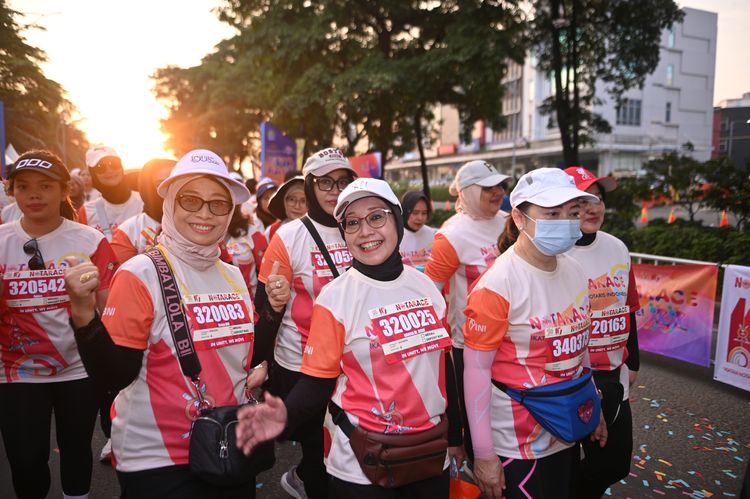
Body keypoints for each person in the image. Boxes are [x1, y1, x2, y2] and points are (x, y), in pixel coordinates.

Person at [63, 149, 291, 499]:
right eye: (191, 200)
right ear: (169, 203)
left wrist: (273, 311)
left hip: (227, 443)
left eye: (218, 204)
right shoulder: (140, 273)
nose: (205, 213)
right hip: (157, 457)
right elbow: (115, 377)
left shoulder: (231, 274)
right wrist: (83, 314)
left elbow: (246, 355)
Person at [236, 178, 463, 498]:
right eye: (352, 223)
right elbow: (317, 382)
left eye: (376, 217)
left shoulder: (426, 287)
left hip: (430, 454)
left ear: (397, 221)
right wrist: (283, 415)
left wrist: (455, 438)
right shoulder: (335, 297)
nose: (365, 231)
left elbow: (443, 368)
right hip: (360, 463)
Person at [462, 167, 607, 499]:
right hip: (518, 442)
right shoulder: (497, 285)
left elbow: (580, 350)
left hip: (566, 428)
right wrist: (484, 454)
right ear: (519, 218)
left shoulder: (575, 270)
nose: (566, 221)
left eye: (572, 212)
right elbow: (476, 371)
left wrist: (593, 407)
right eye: (552, 213)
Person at [0, 150, 119, 499]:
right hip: (15, 371)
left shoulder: (89, 240)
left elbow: (109, 307)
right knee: (25, 461)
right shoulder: (2, 241)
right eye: (23, 187)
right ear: (12, 191)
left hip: (78, 368)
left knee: (77, 448)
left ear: (64, 189)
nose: (34, 195)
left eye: (45, 186)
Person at [256, 147, 356, 498]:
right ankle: (307, 479)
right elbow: (265, 308)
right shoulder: (288, 237)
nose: (334, 191)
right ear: (310, 185)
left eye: (342, 182)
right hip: (303, 363)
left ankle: (307, 476)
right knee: (317, 448)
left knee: (344, 443)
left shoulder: (359, 225)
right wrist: (260, 362)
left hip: (354, 361)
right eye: (325, 182)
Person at [563, 166, 641, 499]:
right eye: (582, 200)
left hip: (612, 377)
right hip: (568, 381)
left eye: (597, 198)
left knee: (614, 464)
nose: (593, 207)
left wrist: (633, 362)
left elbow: (629, 307)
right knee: (565, 467)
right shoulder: (554, 253)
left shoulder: (617, 248)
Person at [424, 160, 510, 459]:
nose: (498, 192)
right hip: (471, 344)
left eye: (501, 186)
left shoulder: (510, 222)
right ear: (469, 192)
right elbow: (429, 292)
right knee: (479, 417)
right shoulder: (452, 234)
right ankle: (481, 463)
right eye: (489, 188)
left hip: (514, 340)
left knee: (510, 416)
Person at [110, 159, 176, 264]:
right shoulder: (129, 231)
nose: (169, 190)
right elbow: (123, 271)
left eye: (175, 183)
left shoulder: (199, 223)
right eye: (160, 184)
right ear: (147, 188)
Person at [225, 205, 268, 299]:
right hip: (219, 301)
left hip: (250, 299)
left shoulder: (252, 232)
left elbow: (266, 271)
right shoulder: (208, 233)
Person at [399, 190, 437, 270]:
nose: (420, 218)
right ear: (405, 211)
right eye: (415, 213)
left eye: (424, 213)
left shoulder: (433, 235)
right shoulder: (394, 235)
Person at [266, 175, 306, 240]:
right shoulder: (272, 230)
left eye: (303, 201)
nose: (297, 206)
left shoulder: (318, 231)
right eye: (292, 199)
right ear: (285, 202)